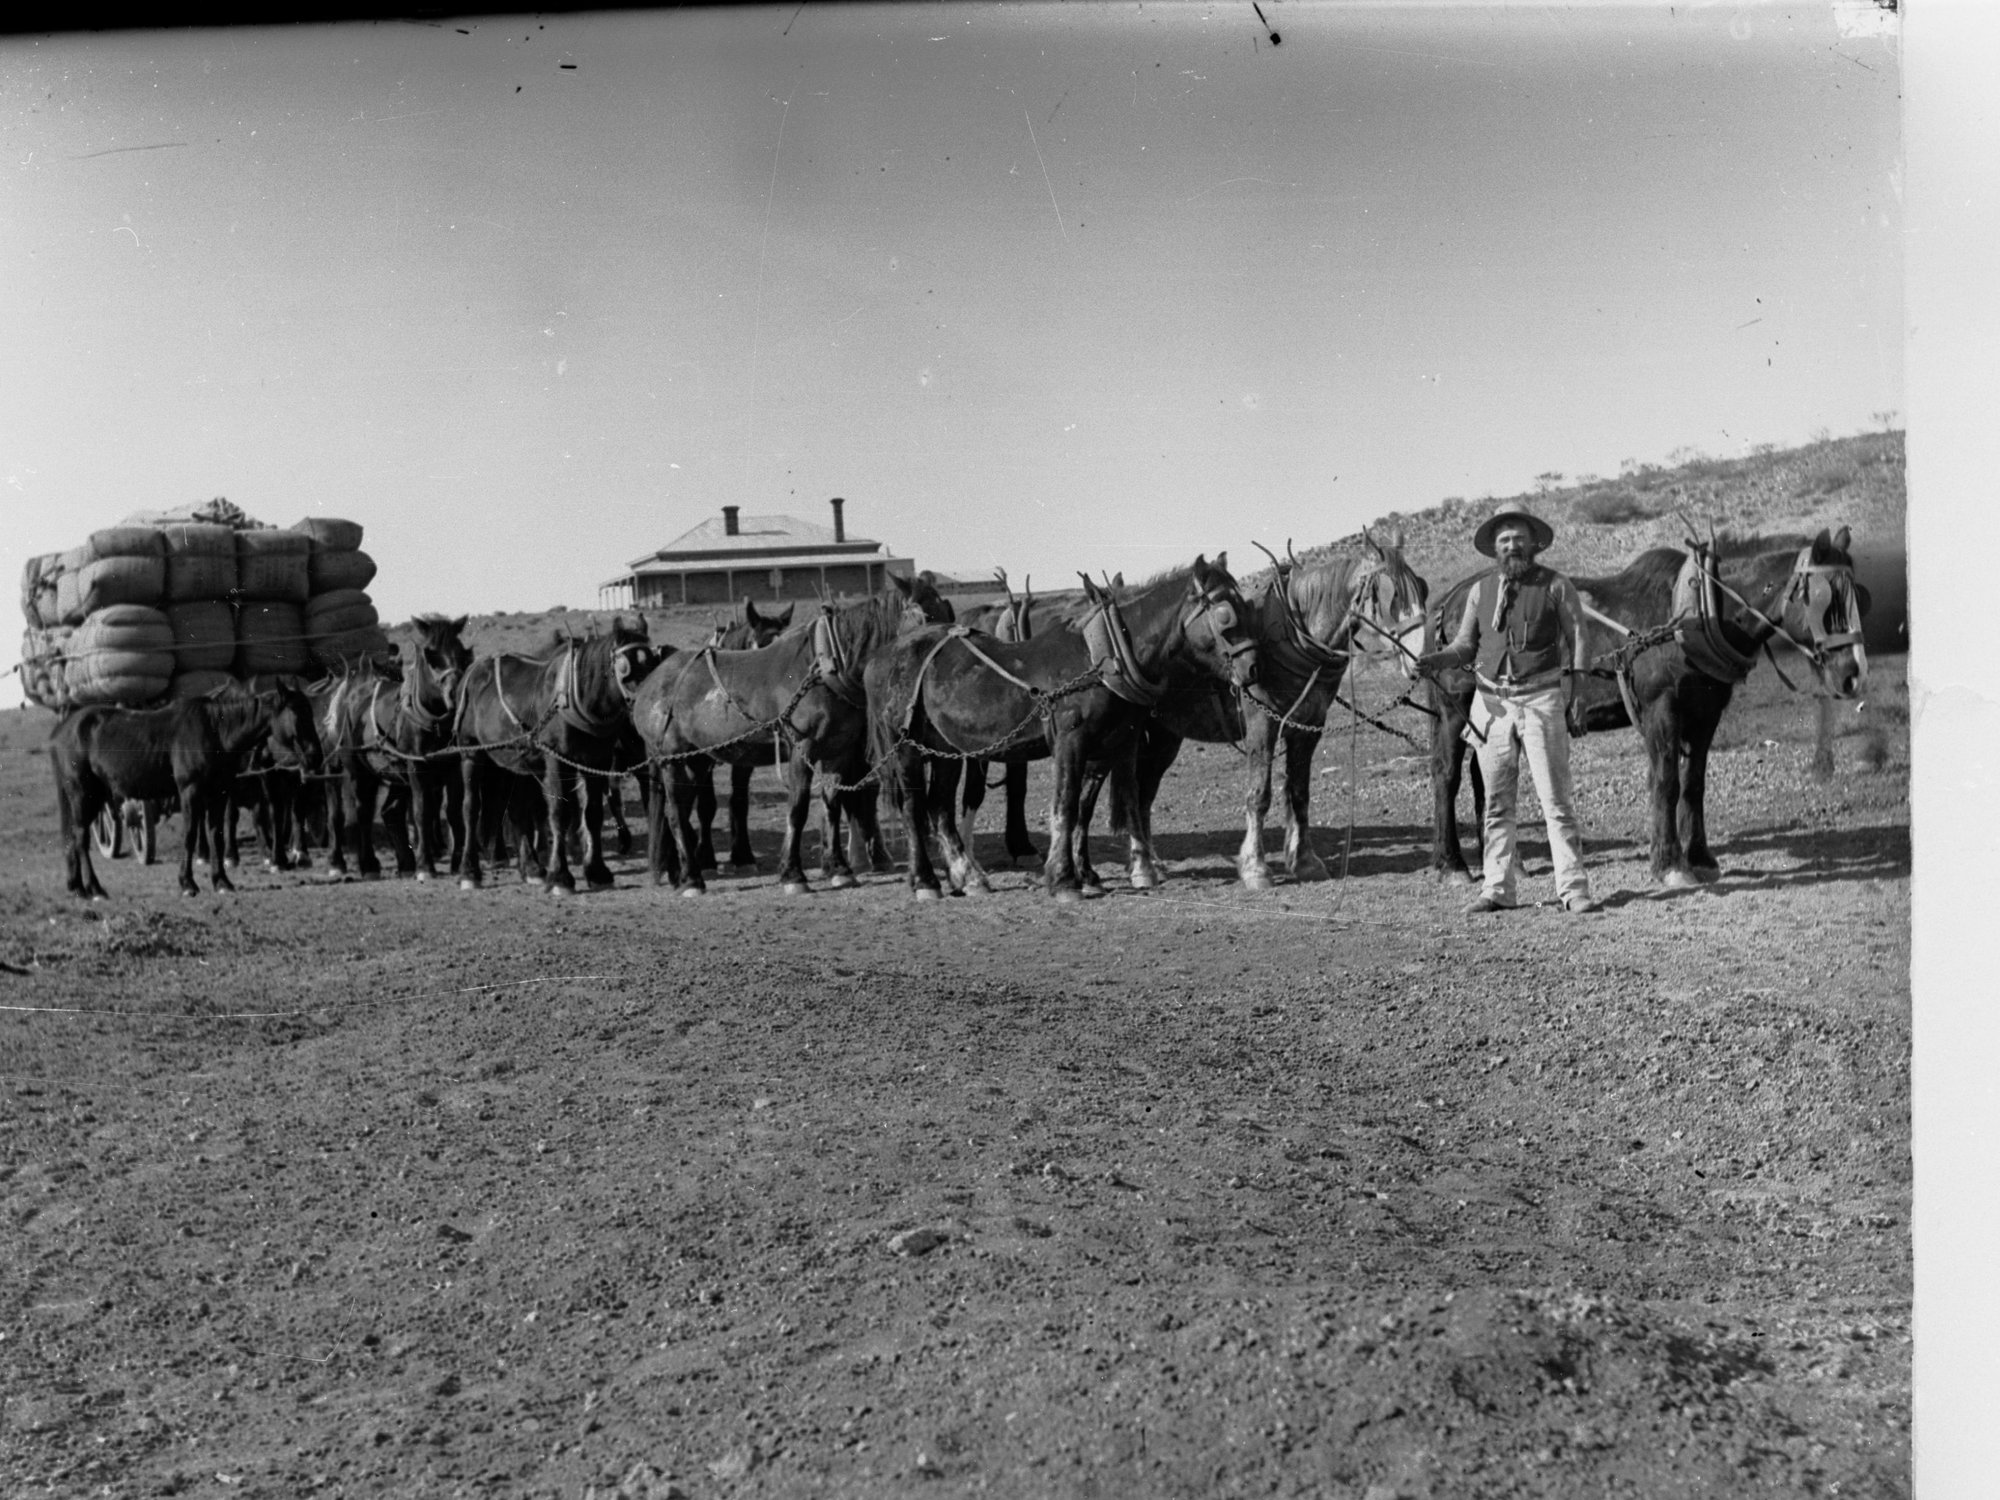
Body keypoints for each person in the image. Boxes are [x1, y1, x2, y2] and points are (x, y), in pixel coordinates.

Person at [1416, 503, 1602, 915]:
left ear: (1533, 543)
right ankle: (1498, 889)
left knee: (1556, 802)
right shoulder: (1482, 591)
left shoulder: (1556, 585)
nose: (1512, 545)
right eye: (1504, 540)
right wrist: (1437, 660)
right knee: (1497, 804)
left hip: (1542, 700)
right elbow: (1465, 645)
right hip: (1491, 705)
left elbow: (1578, 636)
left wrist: (1580, 689)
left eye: (1518, 538)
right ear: (1494, 549)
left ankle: (1573, 889)